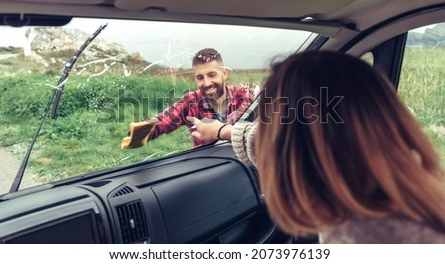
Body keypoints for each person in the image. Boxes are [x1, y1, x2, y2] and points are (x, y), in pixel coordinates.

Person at [188, 50, 445, 243]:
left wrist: (221, 131)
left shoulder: (358, 233)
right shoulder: (416, 178)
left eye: (272, 121)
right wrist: (222, 130)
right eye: (200, 76)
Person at [131, 47, 255, 147]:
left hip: (243, 164)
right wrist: (139, 132)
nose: (207, 83)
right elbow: (164, 120)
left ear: (224, 73)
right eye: (200, 77)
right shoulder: (190, 102)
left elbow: (265, 129)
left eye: (212, 75)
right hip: (207, 164)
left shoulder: (245, 95)